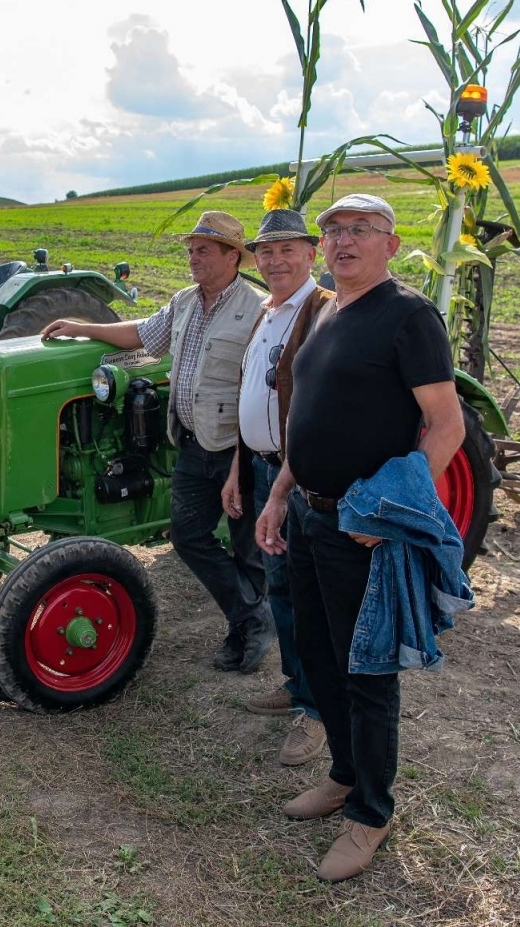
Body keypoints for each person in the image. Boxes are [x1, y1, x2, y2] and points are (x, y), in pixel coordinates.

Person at [255, 193, 465, 882]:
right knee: (318, 653)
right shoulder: (327, 314)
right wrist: (281, 492)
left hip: (361, 525)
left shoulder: (408, 316)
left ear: (391, 243)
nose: (343, 241)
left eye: (360, 230)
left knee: (367, 671)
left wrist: (391, 510)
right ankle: (343, 775)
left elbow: (445, 425)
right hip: (311, 516)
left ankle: (371, 813)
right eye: (334, 230)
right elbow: (308, 416)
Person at [42, 211, 271, 672]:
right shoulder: (185, 301)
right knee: (187, 537)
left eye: (203, 250)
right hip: (189, 440)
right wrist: (83, 326)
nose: (193, 258)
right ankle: (253, 618)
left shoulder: (258, 310)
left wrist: (239, 464)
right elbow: (142, 336)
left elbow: (260, 392)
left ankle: (245, 632)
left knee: (247, 547)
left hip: (234, 448)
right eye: (190, 250)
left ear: (232, 256)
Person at [221, 209, 334, 767]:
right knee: (281, 588)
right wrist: (238, 469)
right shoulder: (269, 313)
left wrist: (282, 487)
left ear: (312, 254)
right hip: (264, 470)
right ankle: (296, 685)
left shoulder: (321, 311)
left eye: (288, 249)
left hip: (298, 480)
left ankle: (316, 714)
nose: (276, 260)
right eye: (266, 252)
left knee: (308, 594)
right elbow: (255, 398)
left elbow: (313, 407)